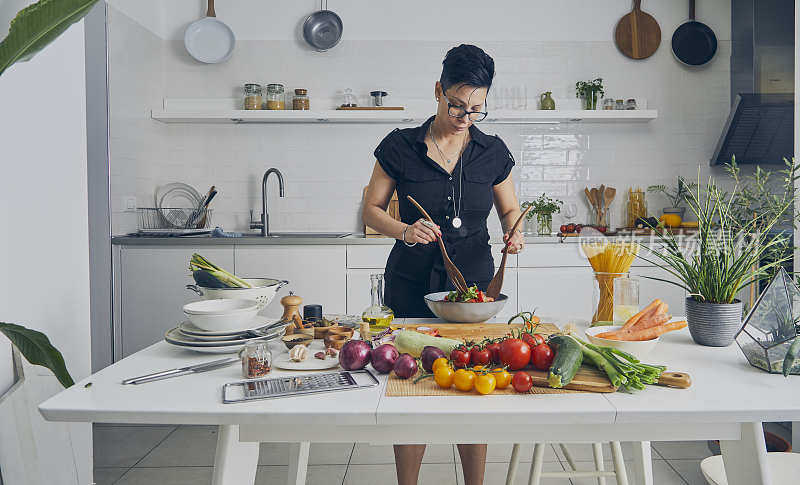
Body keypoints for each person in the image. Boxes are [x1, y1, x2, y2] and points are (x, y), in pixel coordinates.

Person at [362, 44, 524, 485]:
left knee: (475, 384)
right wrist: (403, 230)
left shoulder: (492, 152)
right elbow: (371, 209)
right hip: (411, 283)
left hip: (473, 288)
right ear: (437, 91)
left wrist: (515, 231)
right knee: (410, 386)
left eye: (476, 109)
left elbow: (509, 210)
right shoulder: (400, 146)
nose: (464, 116)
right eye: (456, 104)